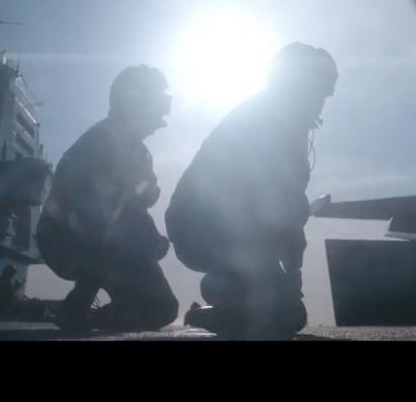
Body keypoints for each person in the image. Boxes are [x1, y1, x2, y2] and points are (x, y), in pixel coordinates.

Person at [166, 42, 338, 339]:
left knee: (289, 314)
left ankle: (223, 300)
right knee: (283, 313)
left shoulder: (286, 126)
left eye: (325, 93)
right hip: (202, 227)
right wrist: (288, 275)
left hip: (236, 231)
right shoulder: (262, 122)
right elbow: (279, 208)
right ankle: (225, 288)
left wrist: (289, 279)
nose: (321, 101)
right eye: (318, 90)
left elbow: (287, 211)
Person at [37, 65, 178, 331]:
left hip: (91, 240)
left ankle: (86, 312)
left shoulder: (136, 150)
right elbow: (95, 210)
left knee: (161, 308)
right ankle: (79, 304)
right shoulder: (103, 142)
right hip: (66, 240)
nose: (163, 111)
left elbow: (137, 201)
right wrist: (147, 241)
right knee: (108, 235)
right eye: (159, 100)